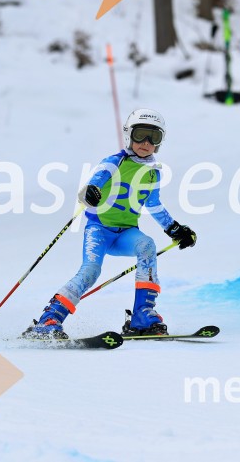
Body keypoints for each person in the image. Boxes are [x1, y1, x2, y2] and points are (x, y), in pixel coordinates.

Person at [24, 108, 197, 339]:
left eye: (153, 137)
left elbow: (153, 204)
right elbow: (88, 189)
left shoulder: (153, 173)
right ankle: (49, 320)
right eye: (140, 135)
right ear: (129, 135)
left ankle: (142, 315)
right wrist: (91, 193)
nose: (146, 142)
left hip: (126, 233)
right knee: (91, 271)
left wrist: (174, 229)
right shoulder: (113, 163)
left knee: (147, 246)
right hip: (99, 230)